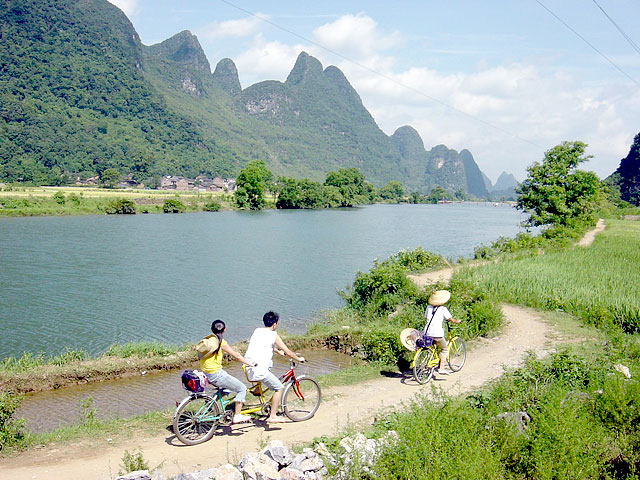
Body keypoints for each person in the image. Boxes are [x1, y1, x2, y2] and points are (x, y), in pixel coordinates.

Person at [244, 310, 306, 424]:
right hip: (259, 371)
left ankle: (258, 388)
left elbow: (266, 345)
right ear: (275, 324)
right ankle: (273, 416)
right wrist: (298, 359)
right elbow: (287, 350)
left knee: (270, 363)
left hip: (248, 367)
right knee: (279, 388)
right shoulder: (274, 335)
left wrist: (278, 352)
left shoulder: (257, 331)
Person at [197, 319, 256, 424]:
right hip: (216, 375)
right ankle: (237, 415)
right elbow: (236, 355)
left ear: (212, 329)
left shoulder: (209, 341)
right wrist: (249, 364)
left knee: (228, 389)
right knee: (242, 388)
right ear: (224, 330)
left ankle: (211, 402)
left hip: (206, 373)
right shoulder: (221, 342)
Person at [423, 290, 461, 376]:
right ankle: (441, 368)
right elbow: (451, 319)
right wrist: (456, 321)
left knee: (432, 346)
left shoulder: (428, 307)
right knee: (444, 349)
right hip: (437, 334)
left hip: (427, 333)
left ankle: (431, 361)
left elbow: (426, 318)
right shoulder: (443, 309)